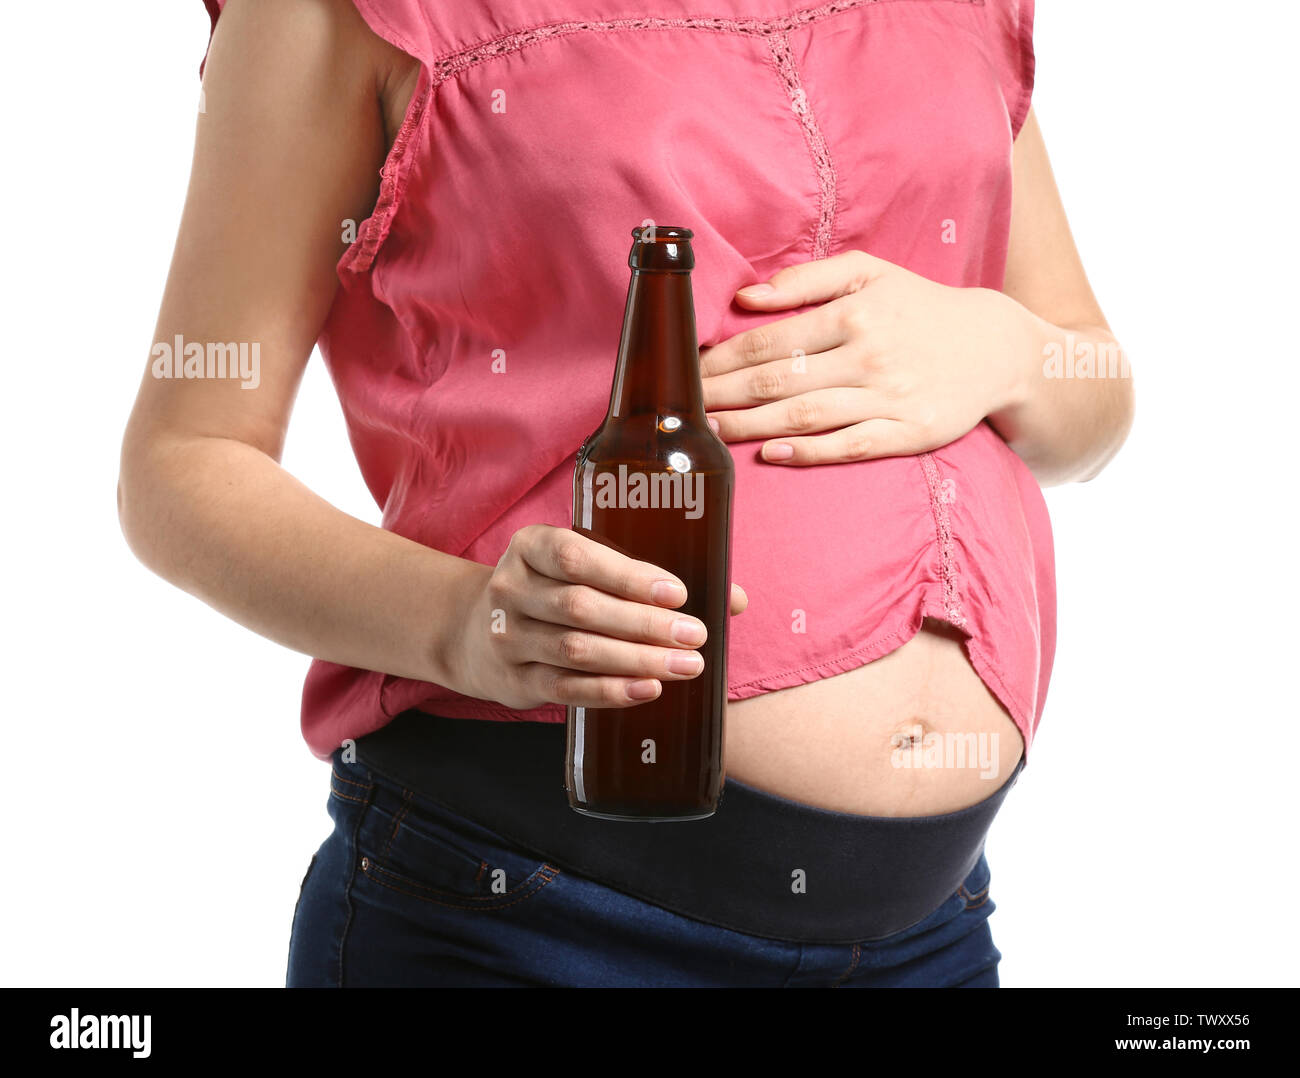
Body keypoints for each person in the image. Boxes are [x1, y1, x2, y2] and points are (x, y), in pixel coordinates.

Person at [119, 0, 1133, 986]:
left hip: (929, 935)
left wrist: (1010, 350)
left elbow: (1094, 393)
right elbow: (181, 459)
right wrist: (458, 622)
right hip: (531, 921)